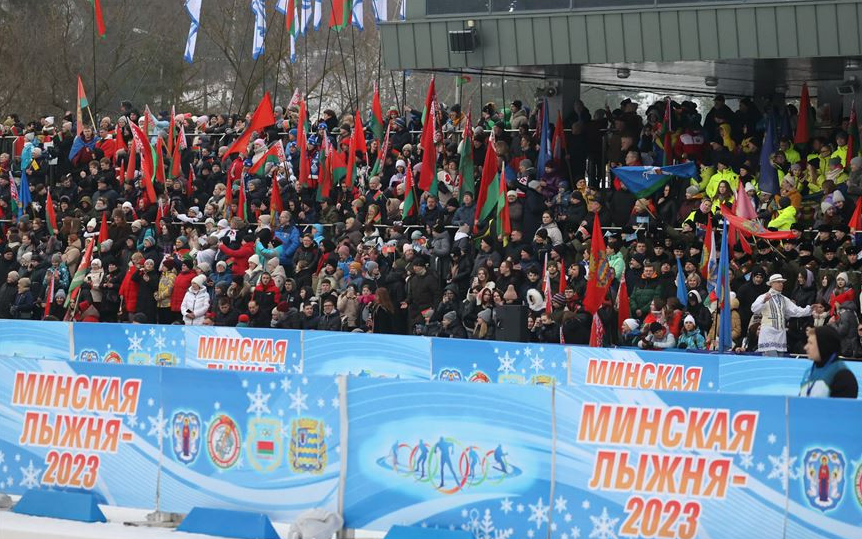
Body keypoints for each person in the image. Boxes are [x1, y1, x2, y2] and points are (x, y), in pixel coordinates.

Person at [751, 274, 815, 356]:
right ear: (772, 283)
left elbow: (796, 311)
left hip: (780, 334)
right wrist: (763, 301)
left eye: (782, 282)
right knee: (771, 359)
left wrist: (810, 309)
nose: (781, 284)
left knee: (780, 358)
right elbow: (754, 309)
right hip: (768, 333)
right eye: (778, 282)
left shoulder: (784, 299)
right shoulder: (763, 296)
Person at [800, 325, 859, 398]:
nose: (805, 347)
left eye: (810, 343)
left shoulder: (843, 377)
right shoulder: (809, 372)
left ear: (823, 345)